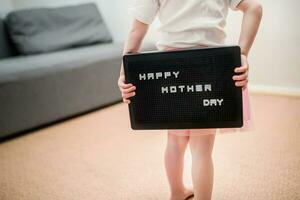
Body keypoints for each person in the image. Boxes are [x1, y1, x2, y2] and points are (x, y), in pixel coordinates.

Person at [118, 0, 262, 199]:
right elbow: (254, 8)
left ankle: (177, 192)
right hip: (210, 66)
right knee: (202, 148)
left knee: (174, 141)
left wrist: (125, 71)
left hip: (170, 70)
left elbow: (137, 29)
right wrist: (243, 53)